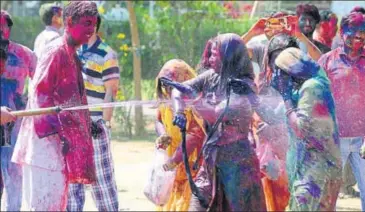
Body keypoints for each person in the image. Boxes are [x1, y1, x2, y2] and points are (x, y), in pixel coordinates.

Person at [11, 2, 99, 210]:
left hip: (56, 151)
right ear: (69, 22)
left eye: (94, 25)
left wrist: (86, 125)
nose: (91, 30)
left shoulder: (70, 54)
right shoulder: (56, 52)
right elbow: (40, 97)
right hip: (43, 149)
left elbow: (71, 100)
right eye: (87, 23)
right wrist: (61, 135)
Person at [172, 33, 266, 211]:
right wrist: (180, 111)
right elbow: (178, 91)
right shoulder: (211, 76)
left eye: (215, 54)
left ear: (229, 58)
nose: (209, 58)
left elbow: (216, 115)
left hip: (238, 166)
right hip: (211, 162)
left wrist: (194, 99)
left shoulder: (245, 86)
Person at [269, 46, 342, 211]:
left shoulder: (312, 87)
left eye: (281, 72)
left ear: (292, 69)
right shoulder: (307, 86)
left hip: (318, 169)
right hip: (316, 166)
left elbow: (301, 130)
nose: (279, 77)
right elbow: (273, 117)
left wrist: (286, 97)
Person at [67, 14, 119, 211]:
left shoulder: (107, 54)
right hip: (72, 129)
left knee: (101, 185)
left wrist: (103, 124)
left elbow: (110, 92)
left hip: (95, 128)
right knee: (73, 187)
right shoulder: (74, 51)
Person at [318, 11, 365, 211]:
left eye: (363, 31)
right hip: (335, 139)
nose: (359, 35)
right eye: (353, 30)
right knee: (330, 194)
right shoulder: (328, 61)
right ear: (341, 31)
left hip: (363, 140)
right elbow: (315, 96)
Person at [154, 59, 205, 211]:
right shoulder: (166, 99)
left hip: (192, 166)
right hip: (173, 166)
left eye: (171, 86)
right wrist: (163, 135)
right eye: (164, 85)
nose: (167, 90)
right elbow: (158, 119)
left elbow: (195, 135)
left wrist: (175, 160)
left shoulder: (194, 104)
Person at [0, 10, 36, 211]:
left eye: (3, 25)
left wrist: (28, 103)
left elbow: (41, 86)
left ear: (9, 28)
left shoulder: (24, 54)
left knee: (13, 179)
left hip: (15, 128)